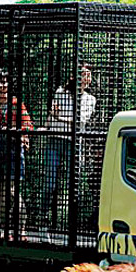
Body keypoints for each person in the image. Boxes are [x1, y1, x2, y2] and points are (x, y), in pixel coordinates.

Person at [40, 65, 96, 234]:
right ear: (75, 77)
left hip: (74, 143)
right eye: (84, 75)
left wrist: (59, 117)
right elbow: (53, 114)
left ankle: (72, 227)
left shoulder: (90, 99)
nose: (87, 79)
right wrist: (48, 125)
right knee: (49, 183)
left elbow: (79, 122)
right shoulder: (60, 92)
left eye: (89, 76)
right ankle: (43, 223)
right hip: (55, 140)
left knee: (74, 184)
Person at [0, 68, 33, 240]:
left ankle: (20, 229)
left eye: (4, 82)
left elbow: (29, 126)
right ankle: (4, 228)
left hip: (13, 152)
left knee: (13, 191)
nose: (1, 85)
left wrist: (15, 131)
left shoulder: (16, 104)